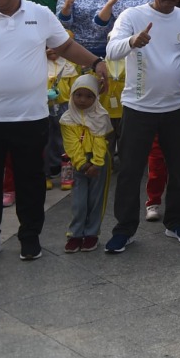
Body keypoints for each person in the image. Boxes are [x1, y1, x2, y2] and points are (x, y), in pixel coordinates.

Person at [103, 0, 180, 253]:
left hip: (176, 107)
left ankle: (176, 222)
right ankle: (124, 229)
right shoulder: (132, 16)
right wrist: (132, 41)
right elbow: (111, 50)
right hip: (138, 107)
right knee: (130, 171)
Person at [58, 74, 111, 254]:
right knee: (79, 201)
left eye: (89, 96)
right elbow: (71, 145)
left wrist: (96, 163)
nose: (82, 100)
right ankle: (75, 234)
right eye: (78, 95)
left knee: (96, 199)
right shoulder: (67, 119)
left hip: (99, 162)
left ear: (96, 97)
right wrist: (83, 164)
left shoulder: (100, 115)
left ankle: (91, 234)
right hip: (78, 163)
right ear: (71, 94)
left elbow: (100, 140)